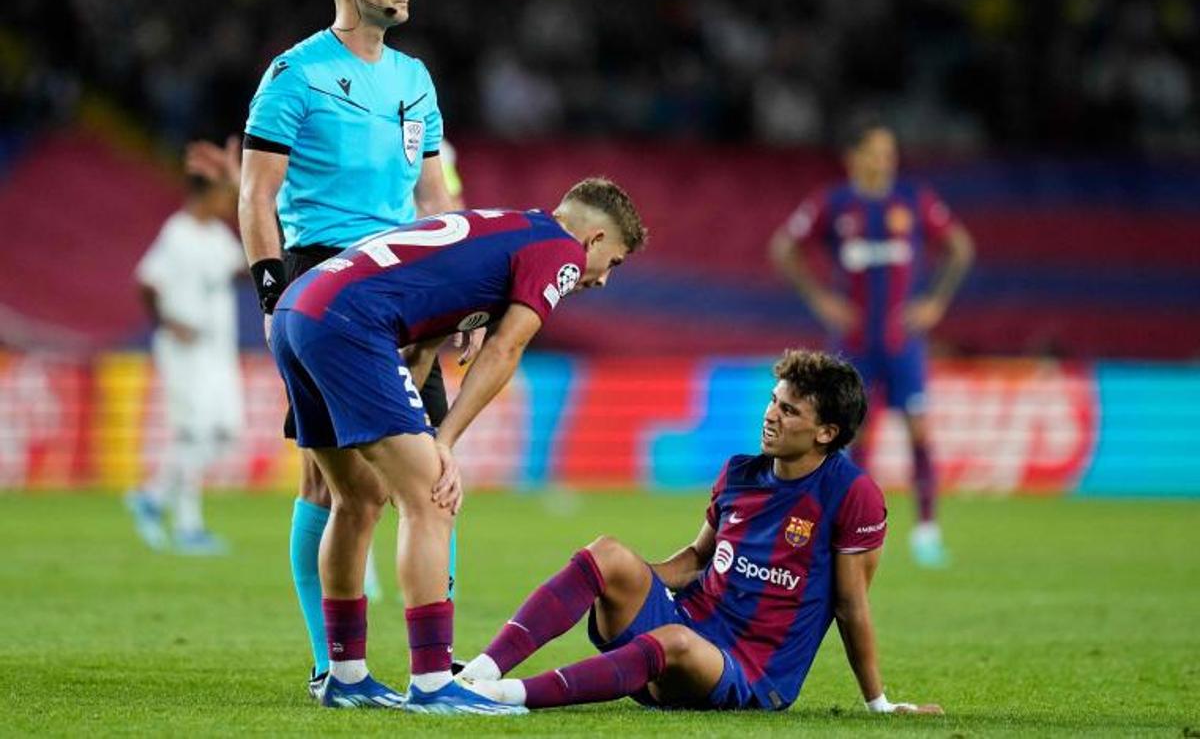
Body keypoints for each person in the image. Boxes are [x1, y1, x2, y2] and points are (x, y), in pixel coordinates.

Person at [269, 179, 647, 711]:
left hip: (300, 309)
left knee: (356, 499)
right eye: (614, 261)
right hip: (349, 322)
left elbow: (421, 346)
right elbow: (506, 348)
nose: (604, 279)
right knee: (432, 498)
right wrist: (441, 442)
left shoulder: (505, 228)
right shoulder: (559, 250)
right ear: (596, 237)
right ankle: (431, 683)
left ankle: (346, 675)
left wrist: (424, 434)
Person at [237, 0, 472, 696]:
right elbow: (256, 194)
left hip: (404, 283)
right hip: (326, 281)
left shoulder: (415, 79)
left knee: (432, 473)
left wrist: (457, 288)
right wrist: (273, 289)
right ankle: (330, 662)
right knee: (333, 489)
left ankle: (432, 652)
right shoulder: (294, 74)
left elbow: (435, 196)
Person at [455, 349, 942, 716]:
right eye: (774, 401)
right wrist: (622, 579)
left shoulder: (851, 493)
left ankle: (502, 698)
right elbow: (693, 559)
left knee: (676, 642)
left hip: (751, 670)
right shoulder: (739, 473)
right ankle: (476, 675)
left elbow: (851, 603)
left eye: (790, 411)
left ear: (826, 433)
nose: (770, 415)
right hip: (687, 624)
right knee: (606, 553)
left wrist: (877, 701)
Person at [768, 120, 974, 567]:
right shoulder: (834, 204)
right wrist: (821, 299)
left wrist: (935, 302)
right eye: (877, 151)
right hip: (854, 346)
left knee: (918, 433)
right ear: (855, 156)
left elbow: (960, 247)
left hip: (903, 344)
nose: (886, 160)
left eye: (890, 151)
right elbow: (784, 247)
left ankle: (926, 531)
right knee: (849, 439)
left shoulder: (914, 201)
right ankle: (845, 531)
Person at [126, 137, 245, 555]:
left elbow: (249, 268)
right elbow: (146, 281)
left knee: (225, 432)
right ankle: (189, 525)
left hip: (217, 349)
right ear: (207, 193)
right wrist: (169, 322)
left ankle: (153, 497)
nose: (230, 204)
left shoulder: (217, 236)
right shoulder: (177, 233)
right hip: (184, 348)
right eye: (226, 195)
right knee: (192, 433)